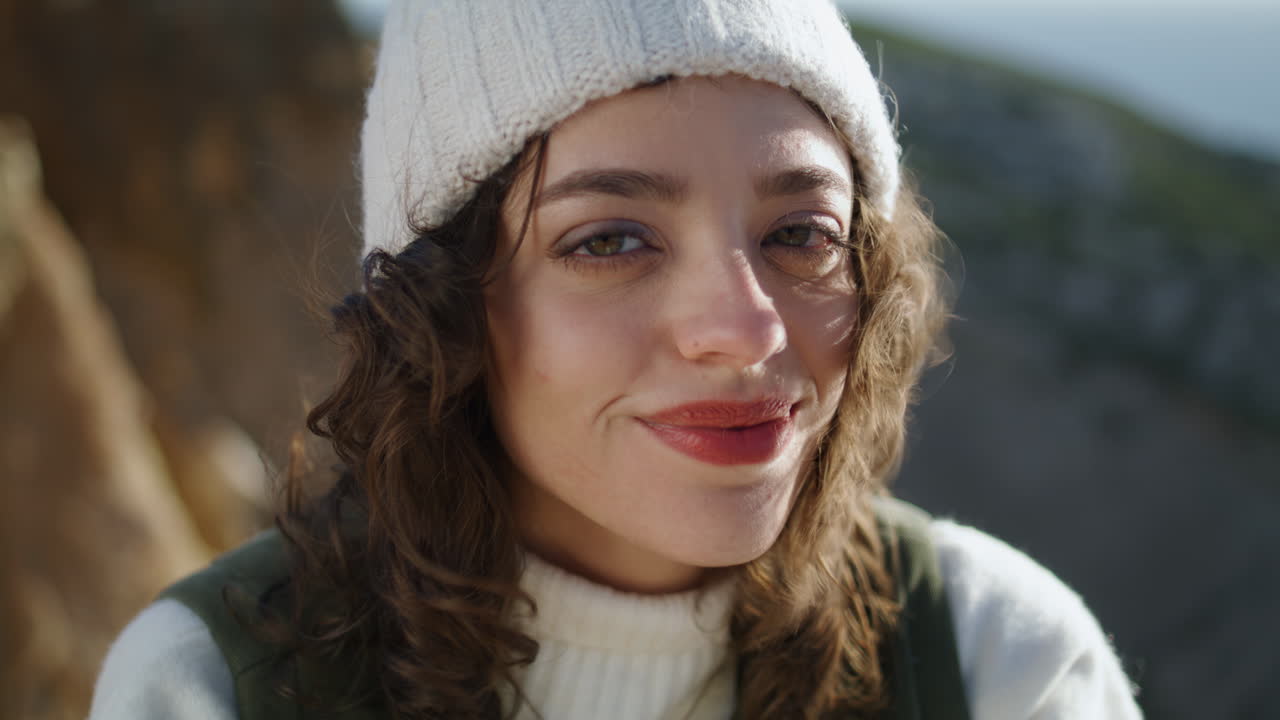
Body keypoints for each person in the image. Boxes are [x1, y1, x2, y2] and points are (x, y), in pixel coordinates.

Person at [88, 1, 1142, 718]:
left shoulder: (998, 662)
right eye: (608, 241)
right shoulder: (209, 690)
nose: (742, 327)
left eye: (801, 235)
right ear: (440, 307)